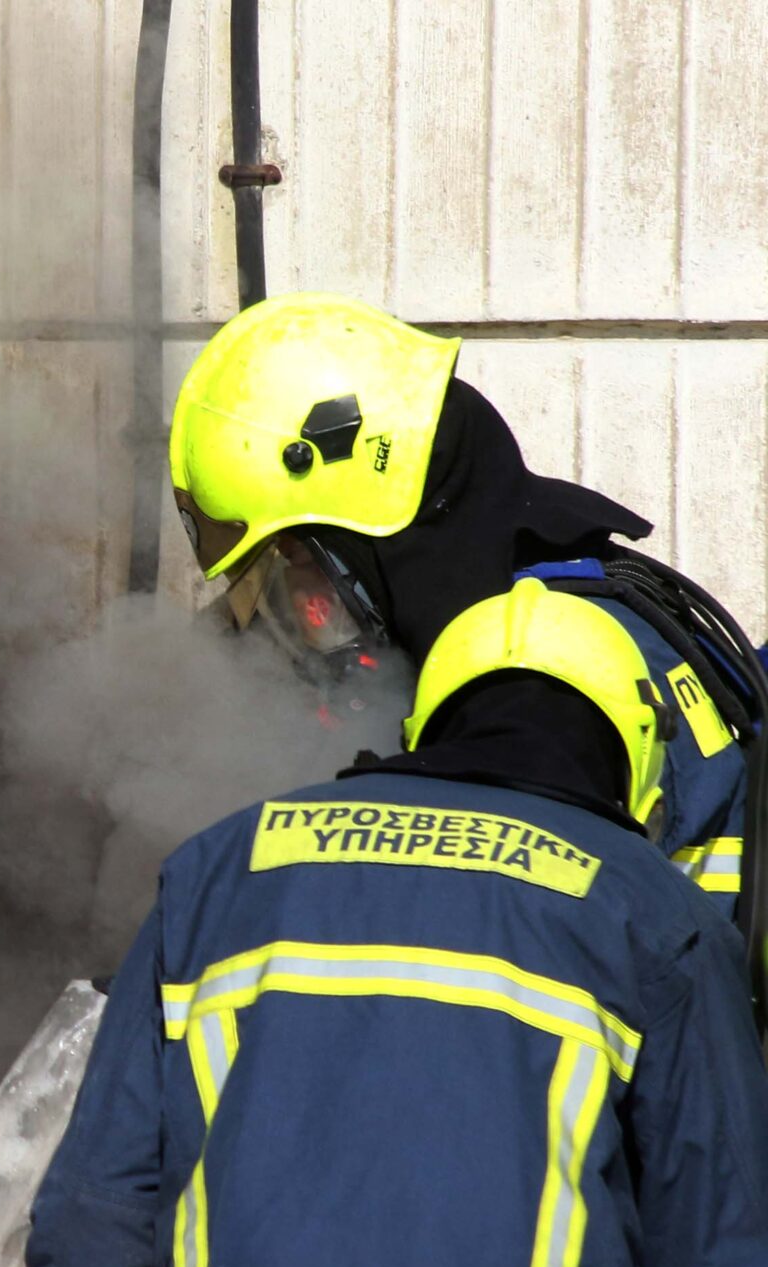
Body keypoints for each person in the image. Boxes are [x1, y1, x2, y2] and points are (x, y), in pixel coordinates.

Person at [16, 579, 768, 1267]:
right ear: (639, 772)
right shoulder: (652, 914)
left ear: (422, 725)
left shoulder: (221, 872)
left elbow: (98, 1225)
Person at [166, 293, 759, 922]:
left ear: (381, 537)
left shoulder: (534, 682)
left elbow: (480, 947)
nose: (295, 609)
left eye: (300, 561)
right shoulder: (568, 597)